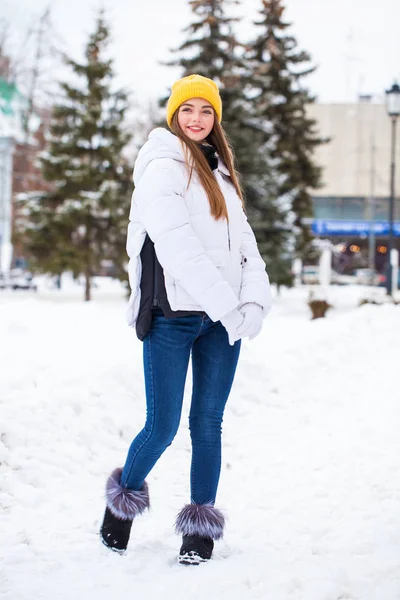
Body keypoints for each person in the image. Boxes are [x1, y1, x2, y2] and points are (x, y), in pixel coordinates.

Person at [100, 74, 272, 565]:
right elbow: (179, 249)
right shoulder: (161, 166)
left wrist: (254, 304)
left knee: (209, 424)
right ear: (174, 114)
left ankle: (200, 527)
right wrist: (227, 306)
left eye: (207, 111)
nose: (197, 119)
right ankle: (122, 504)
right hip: (171, 317)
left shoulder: (219, 172)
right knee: (163, 424)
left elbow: (247, 251)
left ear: (216, 119)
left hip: (223, 321)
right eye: (189, 110)